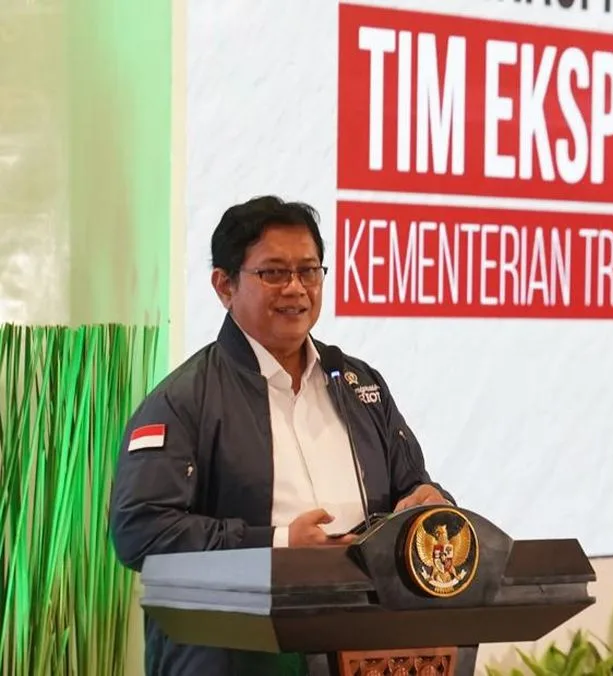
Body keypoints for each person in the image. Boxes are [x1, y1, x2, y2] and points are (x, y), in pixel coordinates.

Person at [108, 195, 453, 675]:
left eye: (309, 271)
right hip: (233, 657)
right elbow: (141, 531)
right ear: (224, 285)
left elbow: (413, 485)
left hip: (361, 651)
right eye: (273, 272)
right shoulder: (183, 400)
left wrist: (429, 502)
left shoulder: (358, 385)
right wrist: (280, 544)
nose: (296, 288)